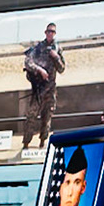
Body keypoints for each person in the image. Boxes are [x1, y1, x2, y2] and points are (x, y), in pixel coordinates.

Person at [23, 22, 66, 151]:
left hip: (50, 88)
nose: (50, 34)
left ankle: (43, 142)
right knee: (31, 116)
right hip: (38, 89)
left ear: (55, 33)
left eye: (52, 32)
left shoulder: (58, 49)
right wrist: (40, 70)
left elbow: (62, 69)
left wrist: (56, 58)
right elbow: (28, 62)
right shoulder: (38, 48)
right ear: (45, 32)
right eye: (48, 31)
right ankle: (26, 143)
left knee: (47, 116)